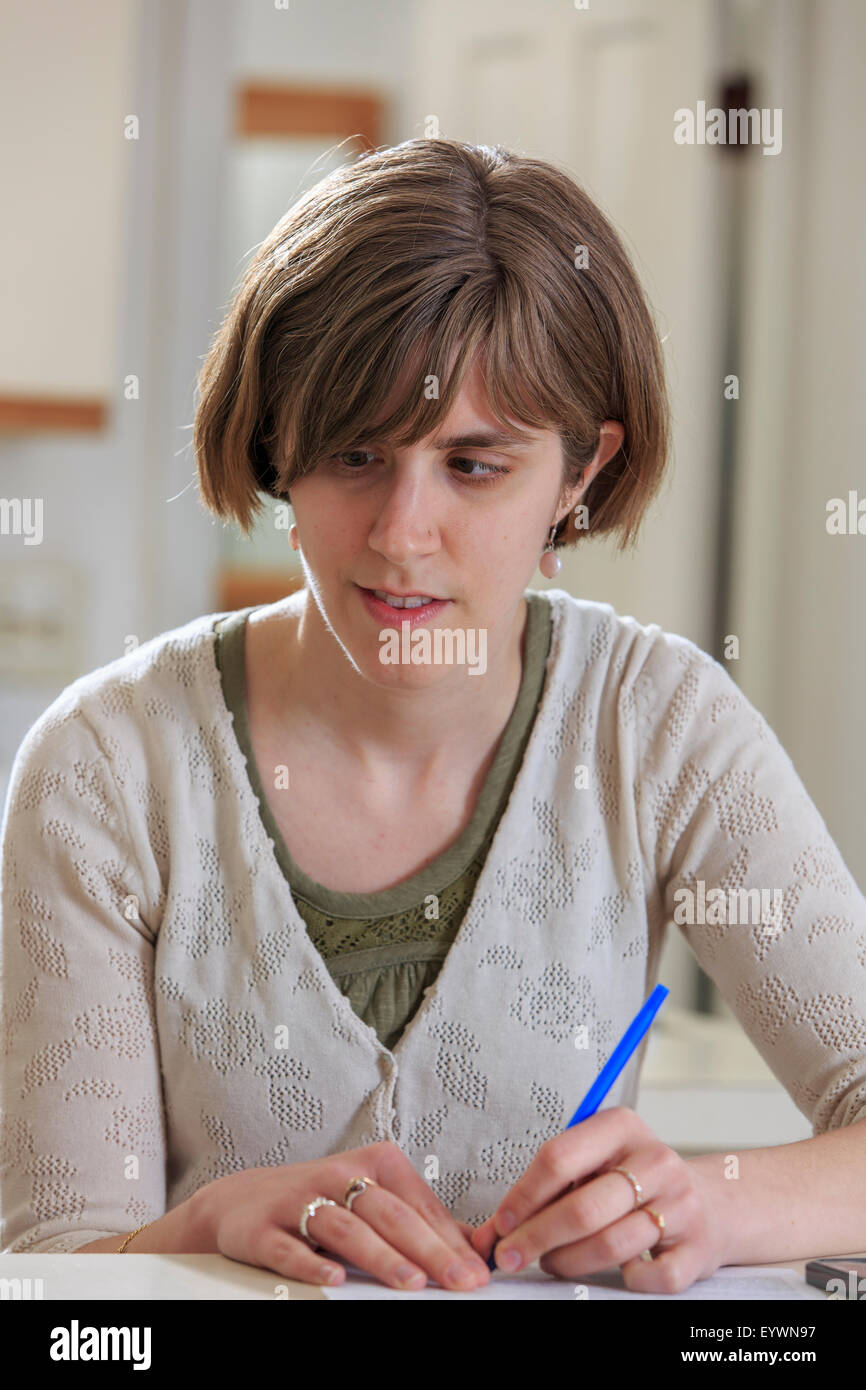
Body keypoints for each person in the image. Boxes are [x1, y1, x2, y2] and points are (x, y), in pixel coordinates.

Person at [2, 138, 865, 1296]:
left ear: (577, 474)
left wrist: (707, 1199)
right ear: (274, 450)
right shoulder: (107, 766)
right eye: (355, 452)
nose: (401, 533)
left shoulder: (659, 729)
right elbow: (53, 1282)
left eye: (473, 465)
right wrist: (206, 1221)